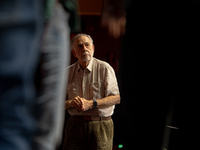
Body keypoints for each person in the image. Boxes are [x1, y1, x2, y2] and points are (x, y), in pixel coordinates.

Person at [62, 33, 120, 150]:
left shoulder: (105, 68)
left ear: (92, 48)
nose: (84, 49)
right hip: (74, 125)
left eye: (87, 45)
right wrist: (72, 103)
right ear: (74, 53)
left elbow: (116, 98)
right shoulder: (66, 72)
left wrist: (92, 103)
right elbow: (56, 103)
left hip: (101, 125)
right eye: (79, 46)